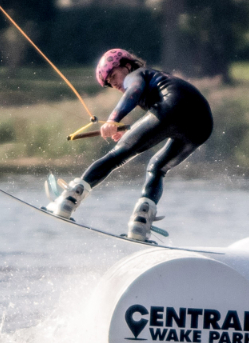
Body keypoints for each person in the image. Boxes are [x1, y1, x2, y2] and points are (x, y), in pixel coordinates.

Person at [45, 49, 214, 241]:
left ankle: (68, 200)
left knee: (117, 156)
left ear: (126, 65)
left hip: (174, 107)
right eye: (109, 83)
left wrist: (113, 119)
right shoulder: (155, 79)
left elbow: (135, 91)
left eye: (114, 76)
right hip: (201, 125)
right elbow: (163, 118)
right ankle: (140, 225)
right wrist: (130, 131)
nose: (115, 83)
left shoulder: (136, 75)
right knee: (157, 167)